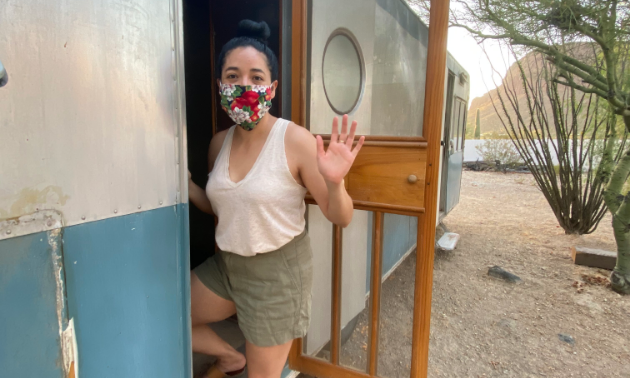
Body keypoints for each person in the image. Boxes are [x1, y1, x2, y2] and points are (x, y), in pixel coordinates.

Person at [188, 19, 364, 378]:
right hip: (227, 267)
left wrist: (334, 183)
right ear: (221, 83)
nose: (244, 86)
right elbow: (219, 207)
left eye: (256, 77)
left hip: (277, 275)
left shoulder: (295, 140)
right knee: (169, 312)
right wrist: (186, 185)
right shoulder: (218, 143)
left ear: (272, 86)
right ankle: (229, 358)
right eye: (233, 76)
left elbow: (341, 216)